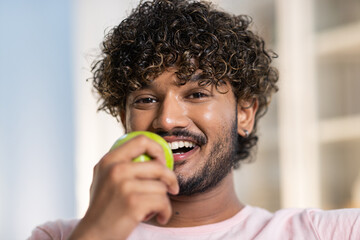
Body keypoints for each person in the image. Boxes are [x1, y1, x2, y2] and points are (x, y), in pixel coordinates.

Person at [29, 0, 360, 239]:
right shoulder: (59, 236)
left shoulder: (333, 233)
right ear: (124, 119)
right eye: (145, 100)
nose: (169, 120)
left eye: (197, 94)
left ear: (245, 112)